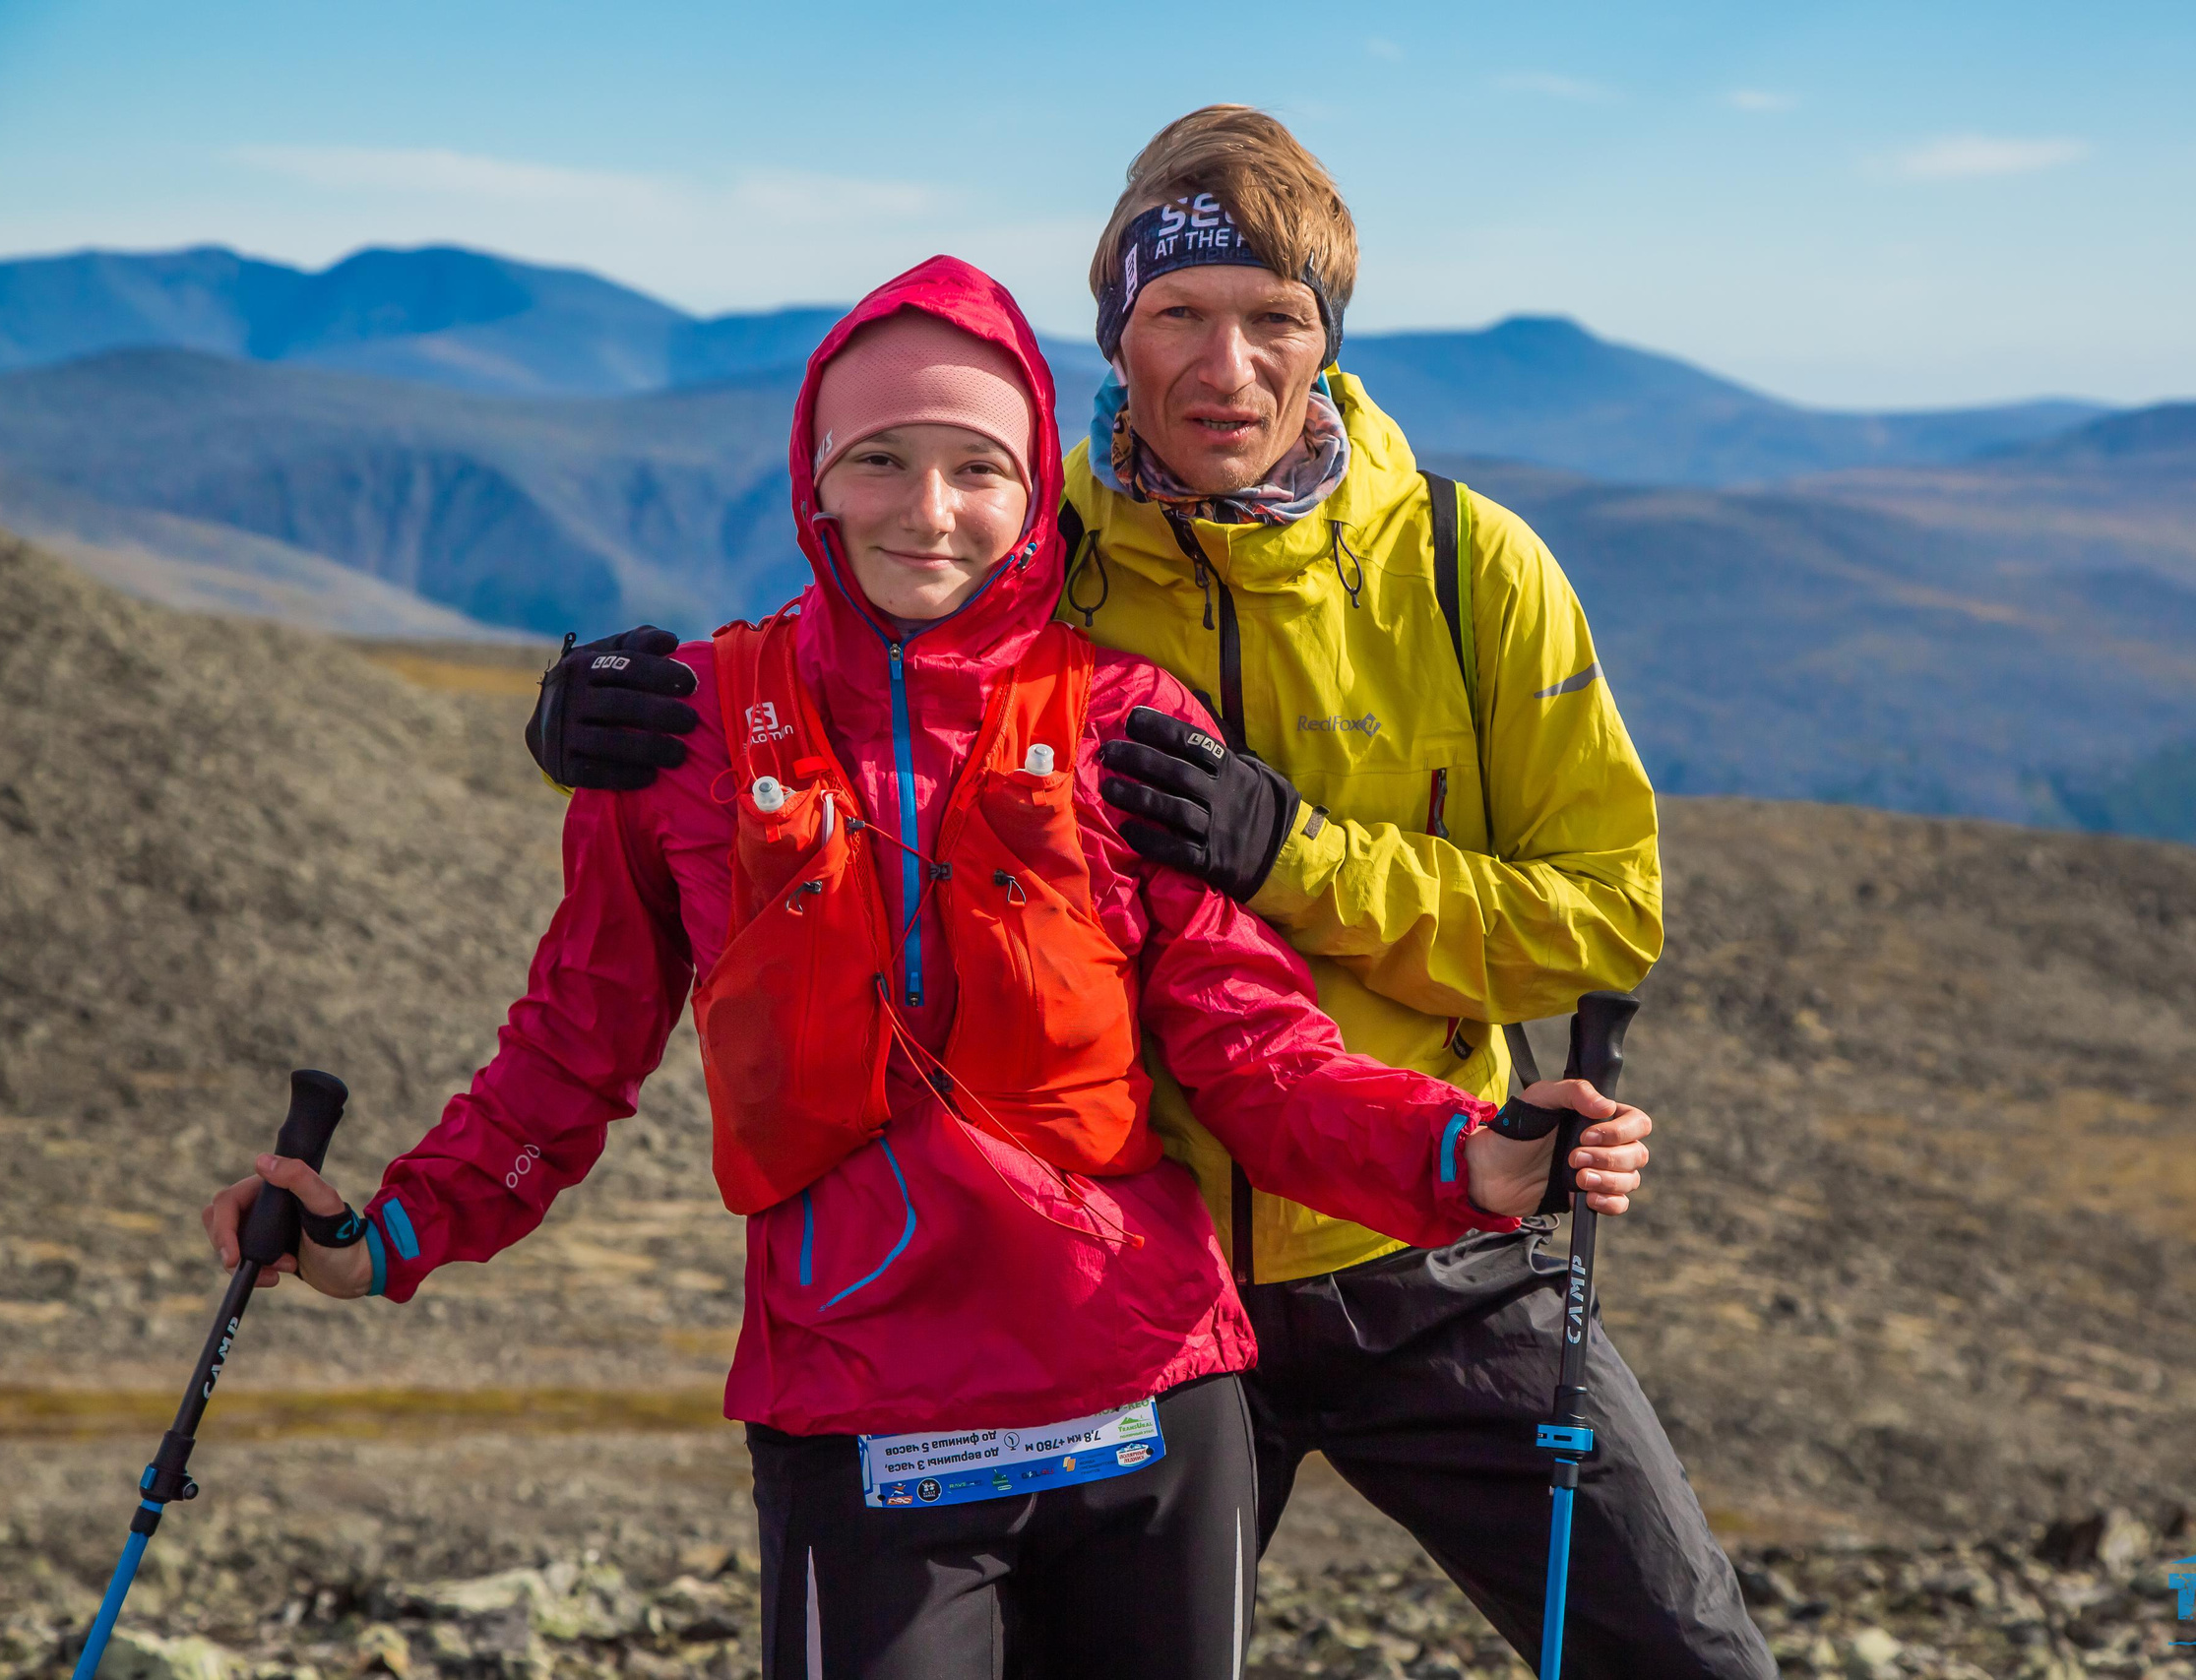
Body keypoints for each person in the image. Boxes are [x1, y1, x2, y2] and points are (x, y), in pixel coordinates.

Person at [202, 254, 1656, 1680]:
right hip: (863, 1416)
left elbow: (1252, 1046)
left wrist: (1473, 1158)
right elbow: (568, 1056)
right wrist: (382, 1238)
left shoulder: (1126, 721)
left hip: (1151, 1407)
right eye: (881, 461)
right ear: (813, 479)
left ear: (1035, 496)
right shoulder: (684, 734)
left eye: (977, 468)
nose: (931, 512)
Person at [526, 109, 1773, 1680]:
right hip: (1152, 1292)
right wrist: (605, 718)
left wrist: (1296, 856)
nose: (1225, 368)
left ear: (1329, 341)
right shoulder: (1036, 538)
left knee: (1687, 1659)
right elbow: (862, 642)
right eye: (1178, 316)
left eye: (1274, 322)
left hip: (1438, 1250)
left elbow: (1604, 918)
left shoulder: (1470, 566)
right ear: (1117, 337)